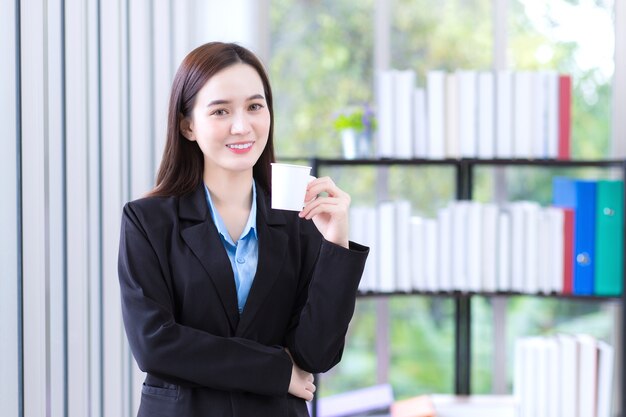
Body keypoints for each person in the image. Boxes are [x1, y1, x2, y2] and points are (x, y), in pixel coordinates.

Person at [117, 41, 369, 417]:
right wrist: (277, 370)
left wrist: (335, 240)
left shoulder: (298, 220)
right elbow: (155, 345)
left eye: (255, 106)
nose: (242, 126)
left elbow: (317, 354)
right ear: (188, 125)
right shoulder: (149, 221)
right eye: (220, 111)